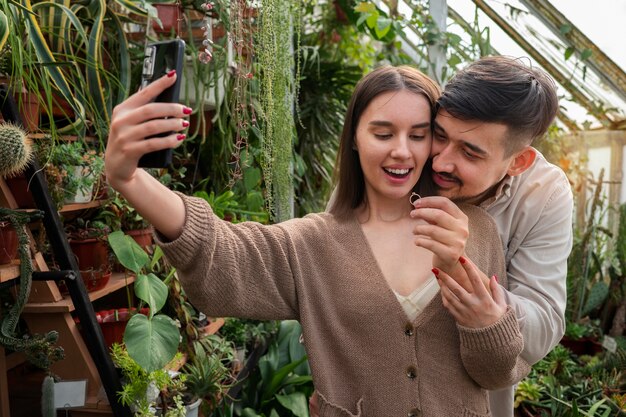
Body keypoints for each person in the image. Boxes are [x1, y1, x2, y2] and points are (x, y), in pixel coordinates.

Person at [105, 65, 529, 416]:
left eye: (418, 135)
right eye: (382, 134)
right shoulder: (313, 243)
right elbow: (222, 255)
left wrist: (474, 300)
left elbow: (495, 373)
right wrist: (129, 179)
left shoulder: (474, 229)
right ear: (355, 143)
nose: (402, 151)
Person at [408, 55, 573, 417]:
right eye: (440, 136)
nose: (439, 162)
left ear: (518, 162)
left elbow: (544, 327)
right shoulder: (407, 149)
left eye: (470, 152)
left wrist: (469, 280)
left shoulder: (544, 194)